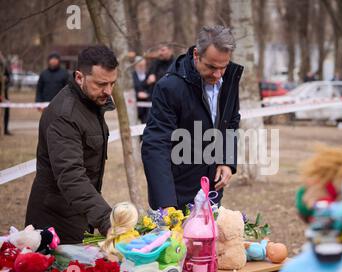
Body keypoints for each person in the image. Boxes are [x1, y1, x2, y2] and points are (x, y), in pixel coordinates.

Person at [141, 25, 243, 211]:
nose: (218, 74)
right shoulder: (169, 87)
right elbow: (156, 144)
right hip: (176, 193)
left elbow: (231, 121)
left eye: (223, 67)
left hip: (211, 190)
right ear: (196, 55)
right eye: (211, 67)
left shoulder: (229, 79)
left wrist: (226, 161)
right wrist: (166, 204)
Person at [26, 45, 119, 244]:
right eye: (101, 84)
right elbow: (70, 175)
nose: (108, 91)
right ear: (79, 77)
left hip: (79, 212)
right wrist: (107, 220)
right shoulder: (64, 115)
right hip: (55, 221)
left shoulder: (91, 103)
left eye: (113, 83)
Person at [132, 57, 151, 123]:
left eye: (143, 65)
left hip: (147, 105)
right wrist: (137, 94)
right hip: (135, 105)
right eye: (140, 65)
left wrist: (148, 94)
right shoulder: (131, 76)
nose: (142, 67)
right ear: (135, 65)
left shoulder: (148, 75)